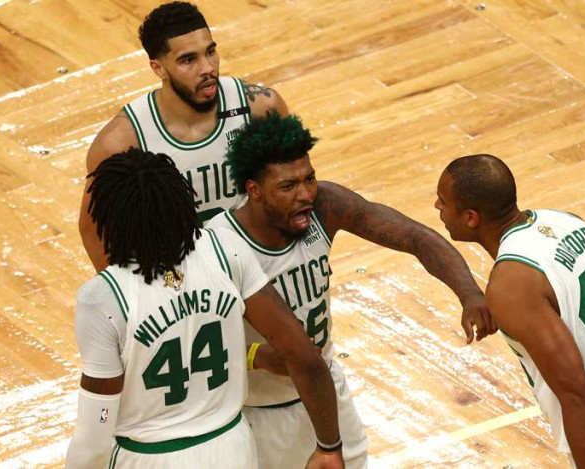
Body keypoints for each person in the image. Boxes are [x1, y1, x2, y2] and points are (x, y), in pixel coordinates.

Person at [205, 113, 493, 469]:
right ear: (254, 190)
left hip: (328, 390)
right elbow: (193, 343)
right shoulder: (218, 245)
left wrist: (469, 293)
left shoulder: (325, 206)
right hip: (260, 412)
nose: (305, 194)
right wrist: (256, 356)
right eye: (288, 186)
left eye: (309, 179)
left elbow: (415, 237)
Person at [65, 148, 343, 469]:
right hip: (233, 448)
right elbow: (304, 356)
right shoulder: (225, 249)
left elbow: (95, 433)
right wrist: (329, 446)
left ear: (110, 220)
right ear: (182, 202)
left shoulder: (102, 297)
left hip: (148, 457)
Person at [433, 154, 585, 469]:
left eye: (443, 201)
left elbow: (579, 397)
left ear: (471, 217)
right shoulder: (566, 222)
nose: (437, 207)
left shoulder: (511, 282)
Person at [79, 1, 289, 272]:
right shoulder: (121, 142)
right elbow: (94, 231)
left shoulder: (260, 107)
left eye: (210, 52)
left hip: (261, 267)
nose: (207, 68)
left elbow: (296, 187)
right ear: (158, 68)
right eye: (189, 60)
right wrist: (132, 293)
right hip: (184, 281)